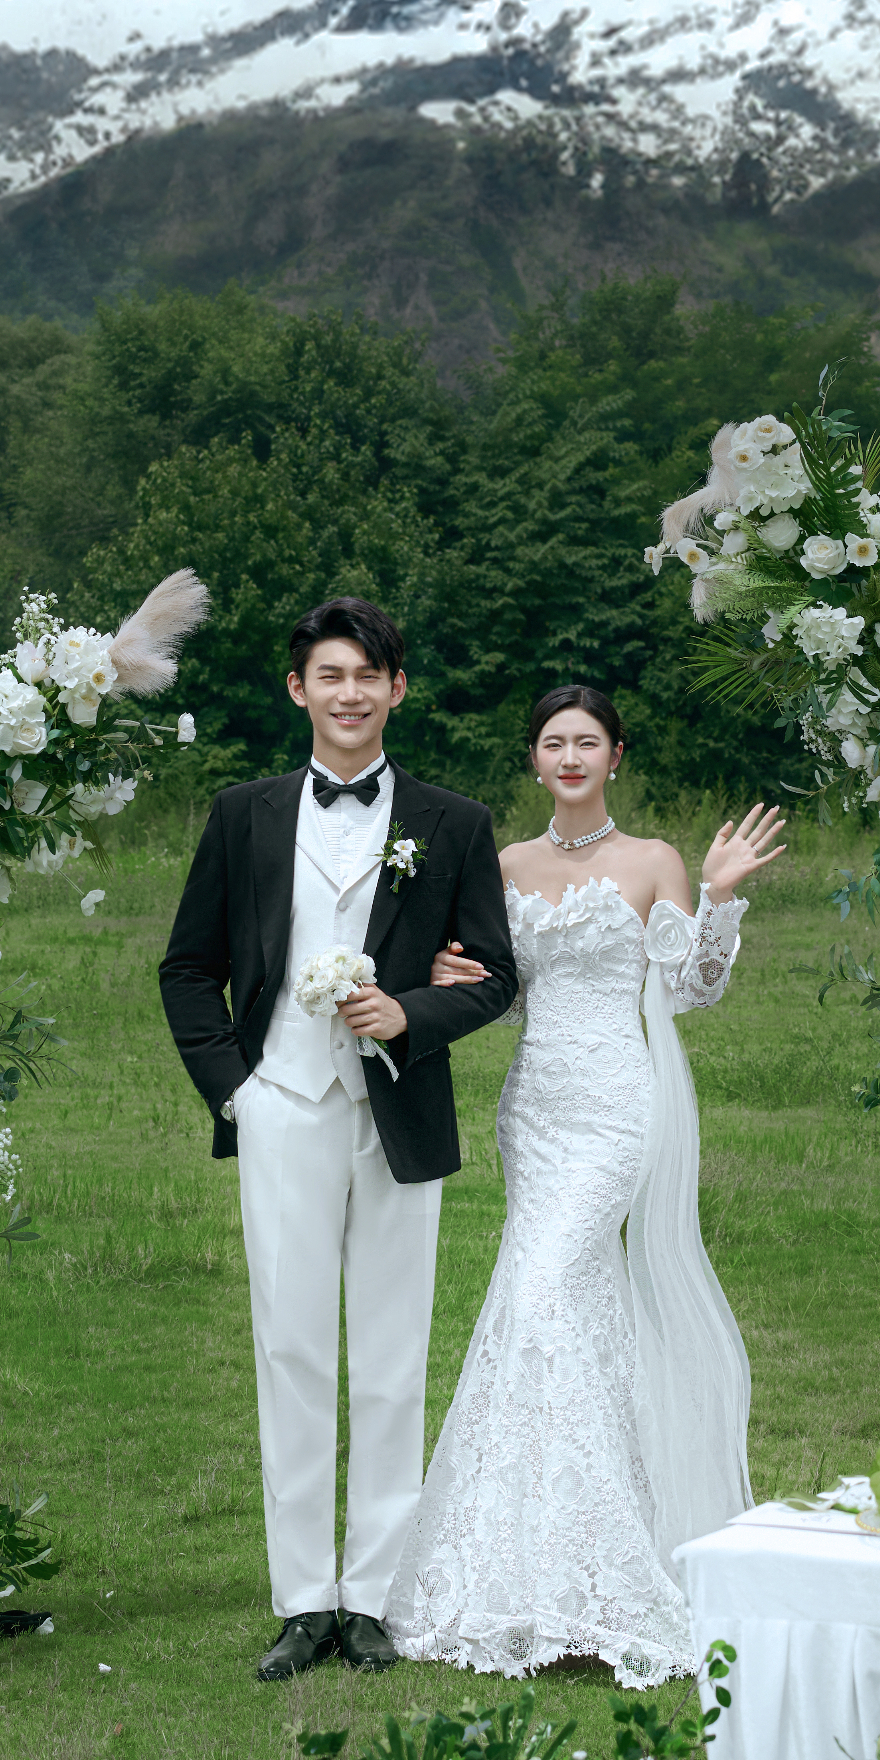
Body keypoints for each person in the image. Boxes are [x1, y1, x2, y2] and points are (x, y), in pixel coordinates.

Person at [384, 684, 783, 1687]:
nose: (569, 755)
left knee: (543, 1291)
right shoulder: (504, 862)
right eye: (552, 741)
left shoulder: (654, 861)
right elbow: (492, 982)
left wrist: (723, 896)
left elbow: (691, 988)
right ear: (533, 760)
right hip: (535, 1110)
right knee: (570, 1309)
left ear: (616, 756)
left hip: (615, 1108)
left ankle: (605, 1566)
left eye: (587, 741)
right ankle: (532, 1572)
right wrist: (444, 970)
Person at [157, 596, 519, 1682]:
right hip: (284, 1109)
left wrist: (415, 1011)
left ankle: (377, 1595)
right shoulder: (244, 813)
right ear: (298, 689)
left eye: (369, 674)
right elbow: (187, 967)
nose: (350, 693)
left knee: (396, 1352)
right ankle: (304, 1598)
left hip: (400, 1108)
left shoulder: (453, 823)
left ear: (396, 689)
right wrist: (241, 1090)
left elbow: (496, 975)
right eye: (330, 674)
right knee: (293, 1346)